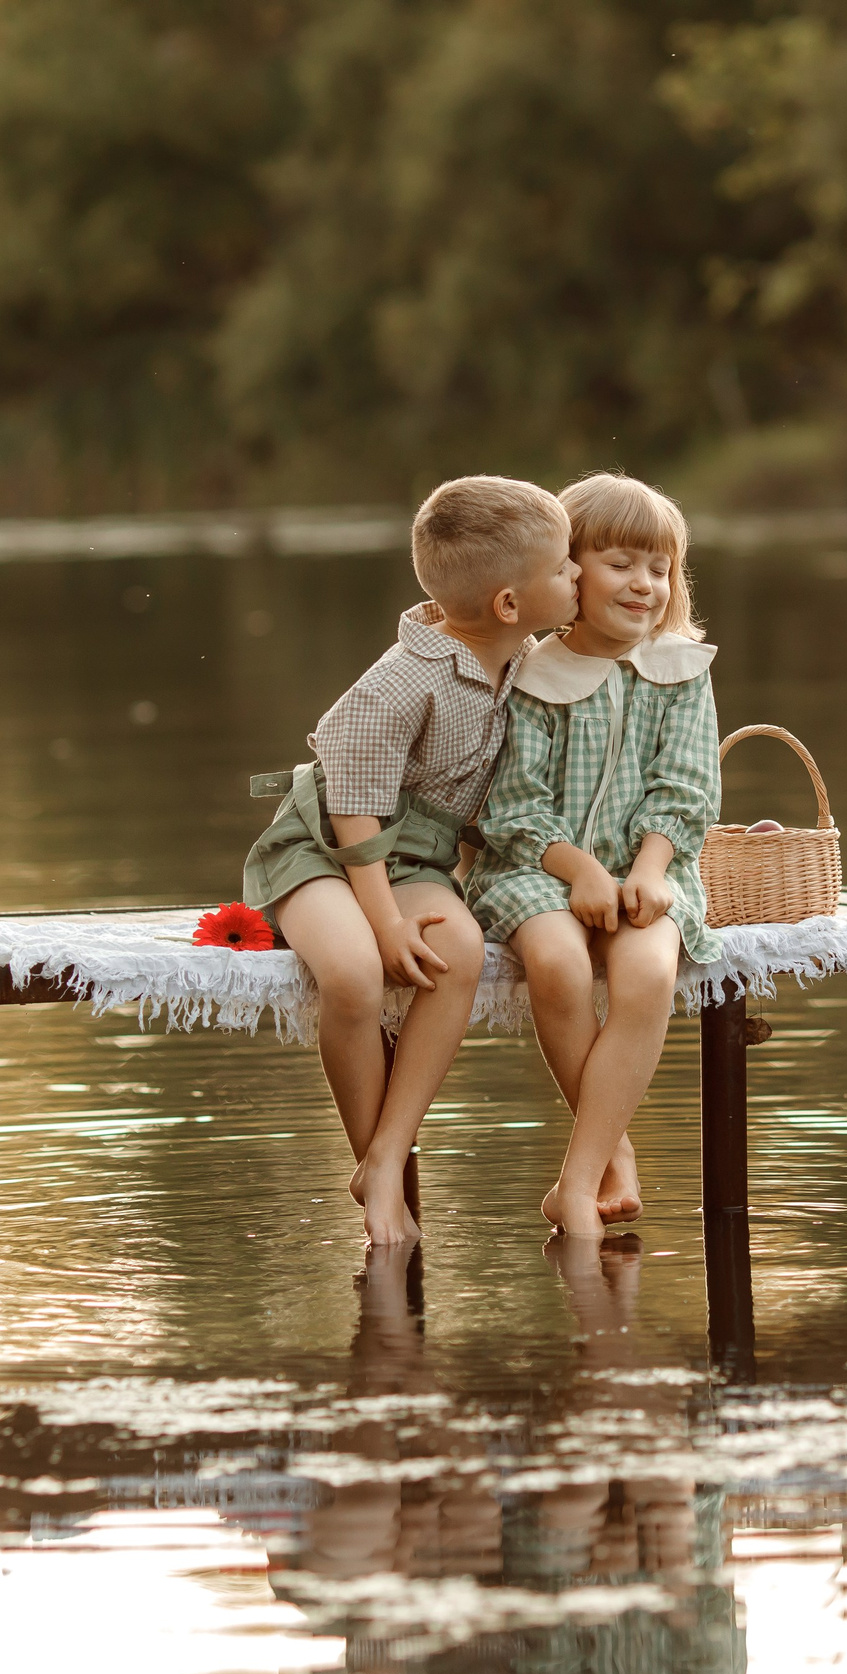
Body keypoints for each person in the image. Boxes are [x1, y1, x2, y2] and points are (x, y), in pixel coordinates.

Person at [243, 475, 580, 1247]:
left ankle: (389, 1152)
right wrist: (386, 920)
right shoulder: (406, 677)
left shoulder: (522, 662)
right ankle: (375, 1164)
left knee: (457, 947)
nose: (577, 576)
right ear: (507, 603)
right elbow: (351, 806)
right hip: (327, 853)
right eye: (564, 566)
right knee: (358, 972)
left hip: (415, 857)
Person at [466, 472, 723, 1240]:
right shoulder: (531, 676)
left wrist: (647, 872)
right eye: (619, 562)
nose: (644, 583)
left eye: (660, 566)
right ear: (569, 568)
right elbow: (512, 803)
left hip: (654, 865)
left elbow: (686, 783)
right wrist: (578, 870)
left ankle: (575, 1184)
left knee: (647, 974)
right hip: (534, 866)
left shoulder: (681, 672)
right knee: (559, 963)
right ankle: (612, 1154)